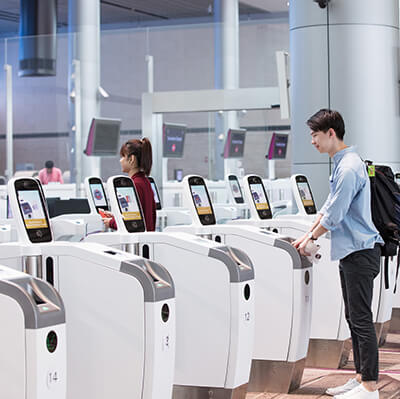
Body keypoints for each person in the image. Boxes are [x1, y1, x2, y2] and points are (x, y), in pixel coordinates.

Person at [293, 109, 383, 399]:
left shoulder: (348, 167)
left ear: (331, 133)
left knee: (361, 319)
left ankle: (370, 386)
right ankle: (360, 378)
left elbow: (334, 216)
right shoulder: (343, 164)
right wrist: (308, 233)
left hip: (360, 251)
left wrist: (312, 237)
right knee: (354, 317)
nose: (312, 141)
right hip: (353, 252)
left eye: (315, 135)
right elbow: (328, 209)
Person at [102, 138, 156, 231]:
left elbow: (131, 223)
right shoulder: (145, 182)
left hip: (137, 241)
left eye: (123, 156)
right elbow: (137, 215)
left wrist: (111, 222)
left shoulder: (134, 185)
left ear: (131, 159)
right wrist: (116, 217)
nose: (120, 160)